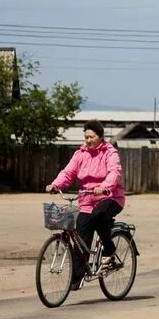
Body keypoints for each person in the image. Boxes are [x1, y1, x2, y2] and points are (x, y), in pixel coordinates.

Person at [46, 119, 126, 288]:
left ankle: (109, 252)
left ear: (100, 136)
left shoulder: (110, 152)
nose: (88, 140)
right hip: (87, 200)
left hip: (110, 197)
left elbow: (114, 172)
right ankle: (77, 277)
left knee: (99, 216)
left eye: (92, 137)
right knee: (80, 236)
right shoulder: (80, 154)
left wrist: (104, 187)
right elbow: (68, 172)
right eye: (86, 137)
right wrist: (56, 184)